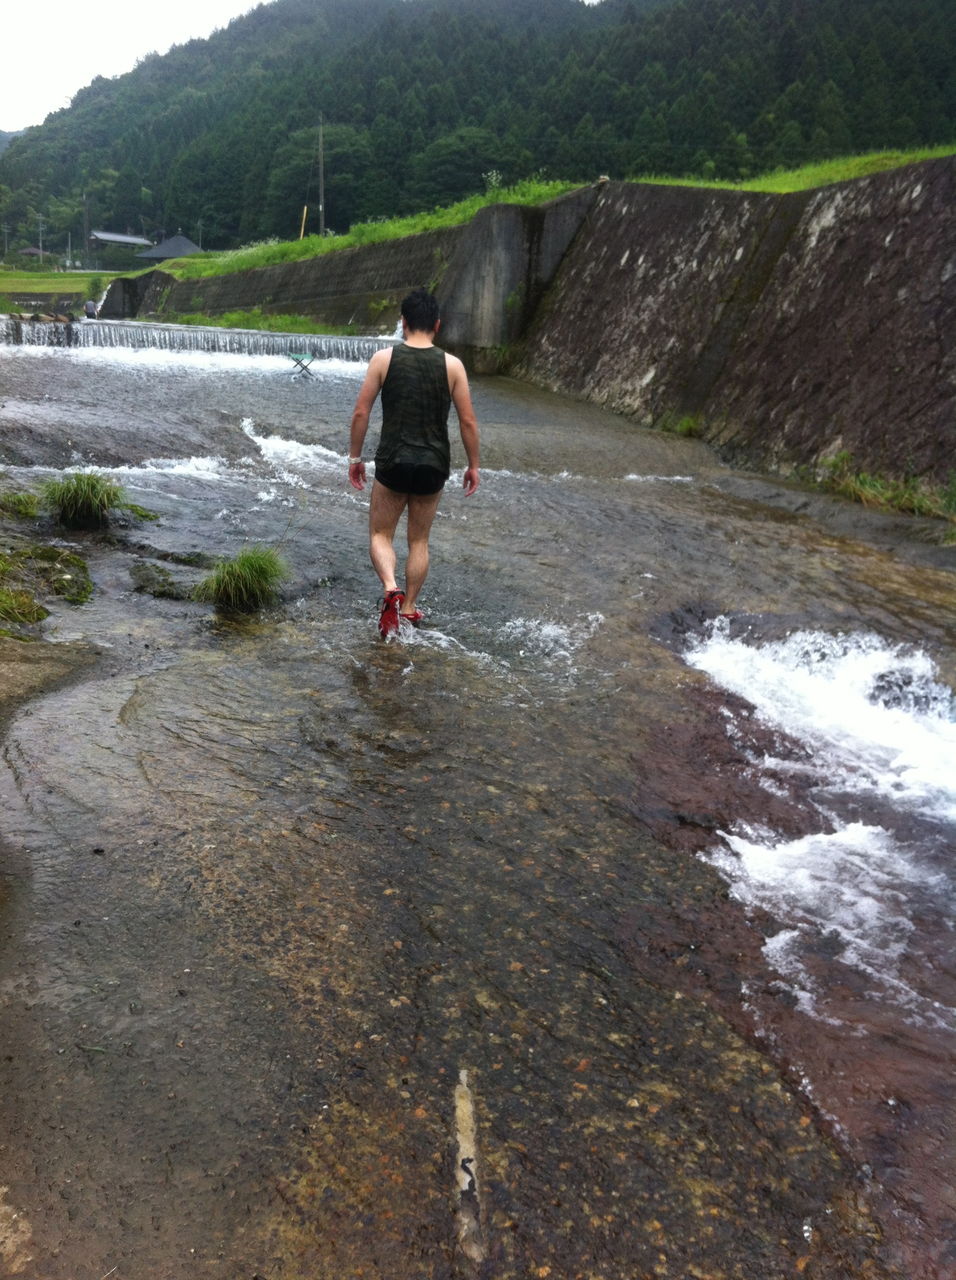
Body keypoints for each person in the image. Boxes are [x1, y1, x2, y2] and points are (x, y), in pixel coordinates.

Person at [347, 288, 480, 638]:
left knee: (380, 534)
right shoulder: (452, 365)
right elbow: (468, 422)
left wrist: (355, 457)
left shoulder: (383, 359)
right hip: (433, 465)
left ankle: (391, 588)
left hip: (392, 460)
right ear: (437, 324)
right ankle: (408, 609)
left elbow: (361, 411)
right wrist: (473, 465)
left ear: (403, 323)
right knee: (419, 541)